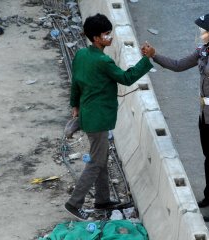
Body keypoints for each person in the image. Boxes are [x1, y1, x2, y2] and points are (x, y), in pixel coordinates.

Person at [141, 12, 209, 222]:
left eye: (206, 31)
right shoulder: (204, 52)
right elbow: (179, 65)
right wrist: (154, 55)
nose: (202, 34)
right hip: (206, 117)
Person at [64, 13, 155, 221]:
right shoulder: (103, 61)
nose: (110, 37)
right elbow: (126, 77)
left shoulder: (81, 55)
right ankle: (73, 203)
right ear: (96, 38)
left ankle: (102, 199)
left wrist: (75, 105)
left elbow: (75, 82)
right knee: (96, 162)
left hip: (88, 114)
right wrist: (146, 59)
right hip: (98, 119)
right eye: (106, 34)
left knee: (101, 158)